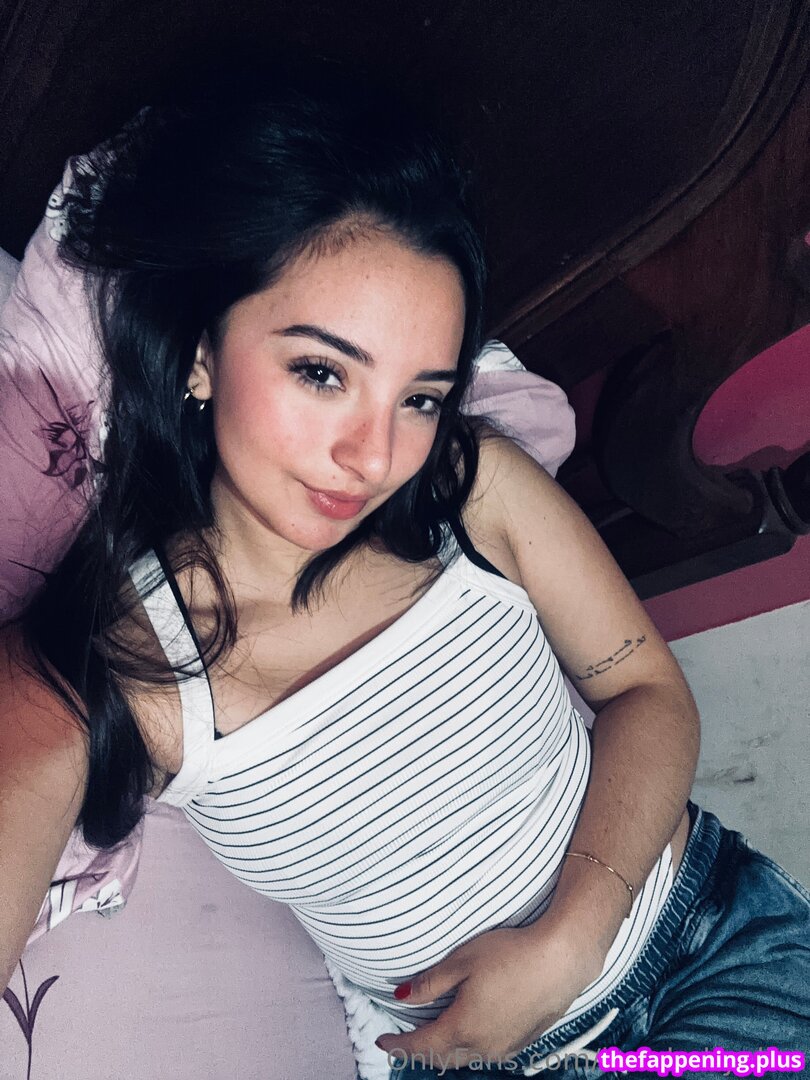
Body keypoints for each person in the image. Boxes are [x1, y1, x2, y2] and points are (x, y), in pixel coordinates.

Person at [0, 65, 807, 1080]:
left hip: (705, 947)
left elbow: (646, 689)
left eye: (420, 397)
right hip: (460, 1057)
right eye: (322, 372)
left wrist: (566, 945)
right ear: (201, 352)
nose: (374, 456)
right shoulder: (123, 669)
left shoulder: (474, 488)